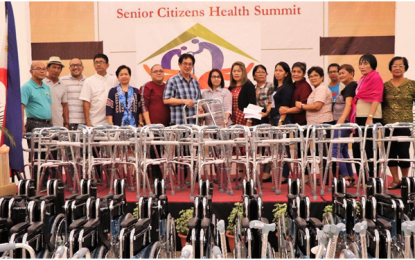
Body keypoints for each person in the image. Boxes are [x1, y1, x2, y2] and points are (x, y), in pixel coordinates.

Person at [383, 57, 415, 189]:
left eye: (400, 66)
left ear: (405, 68)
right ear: (390, 68)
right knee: (390, 152)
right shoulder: (385, 86)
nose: (397, 68)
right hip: (388, 125)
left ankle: (405, 180)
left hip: (405, 124)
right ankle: (395, 180)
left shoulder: (412, 84)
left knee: (403, 152)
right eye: (394, 65)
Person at [350, 54, 384, 180]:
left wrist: (370, 116)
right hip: (360, 116)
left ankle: (373, 177)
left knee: (369, 146)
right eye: (360, 63)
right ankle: (362, 175)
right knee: (357, 146)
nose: (362, 66)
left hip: (370, 117)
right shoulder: (362, 78)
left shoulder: (375, 77)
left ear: (372, 64)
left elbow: (377, 97)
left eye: (365, 63)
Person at [21, 61, 52, 190]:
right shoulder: (26, 87)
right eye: (38, 69)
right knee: (37, 155)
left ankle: (46, 183)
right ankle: (34, 184)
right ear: (31, 72)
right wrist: (21, 126)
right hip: (34, 124)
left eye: (44, 69)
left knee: (49, 156)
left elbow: (47, 106)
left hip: (48, 125)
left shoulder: (46, 87)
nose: (42, 71)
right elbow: (20, 107)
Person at [267, 61, 294, 183]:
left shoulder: (287, 87)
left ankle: (285, 175)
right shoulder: (277, 87)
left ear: (286, 73)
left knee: (284, 147)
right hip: (274, 118)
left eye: (280, 70)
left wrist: (281, 121)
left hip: (281, 120)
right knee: (278, 148)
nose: (277, 73)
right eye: (276, 70)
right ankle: (281, 173)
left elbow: (285, 105)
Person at [332, 64, 358, 186]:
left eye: (343, 73)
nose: (340, 75)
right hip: (345, 122)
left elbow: (348, 104)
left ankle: (345, 177)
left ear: (351, 73)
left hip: (344, 122)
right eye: (339, 73)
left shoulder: (351, 85)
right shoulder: (348, 86)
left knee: (335, 149)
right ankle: (350, 177)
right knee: (343, 149)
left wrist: (342, 119)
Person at [79, 53, 118, 127]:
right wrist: (87, 122)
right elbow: (86, 102)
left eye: (101, 62)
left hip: (112, 121)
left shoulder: (114, 79)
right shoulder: (89, 81)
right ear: (93, 65)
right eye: (96, 62)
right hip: (95, 122)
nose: (98, 64)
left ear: (107, 65)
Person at [163, 53, 201, 125]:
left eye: (190, 64)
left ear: (192, 66)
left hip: (194, 125)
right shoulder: (172, 81)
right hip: (179, 124)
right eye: (185, 63)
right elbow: (166, 100)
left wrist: (200, 109)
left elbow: (199, 101)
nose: (187, 66)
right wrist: (184, 101)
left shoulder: (195, 82)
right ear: (179, 64)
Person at [279, 62, 312, 126]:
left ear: (304, 74)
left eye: (299, 72)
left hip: (301, 123)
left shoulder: (305, 87)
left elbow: (303, 106)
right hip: (293, 121)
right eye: (294, 71)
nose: (296, 74)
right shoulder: (293, 85)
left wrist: (287, 110)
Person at [61, 58, 86, 130]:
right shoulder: (62, 81)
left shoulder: (88, 82)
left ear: (82, 67)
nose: (75, 67)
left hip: (85, 123)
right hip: (68, 123)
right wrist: (66, 123)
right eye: (73, 65)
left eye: (78, 65)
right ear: (69, 68)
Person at [43, 56, 68, 128]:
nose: (56, 70)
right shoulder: (41, 83)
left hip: (59, 124)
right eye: (54, 67)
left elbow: (64, 105)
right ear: (47, 68)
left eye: (59, 68)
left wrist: (66, 123)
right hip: (43, 124)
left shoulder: (63, 85)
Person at [229, 61, 256, 127]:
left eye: (239, 71)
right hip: (232, 118)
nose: (236, 73)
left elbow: (252, 104)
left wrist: (249, 120)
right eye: (234, 71)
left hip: (244, 118)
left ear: (243, 72)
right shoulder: (231, 87)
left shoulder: (249, 85)